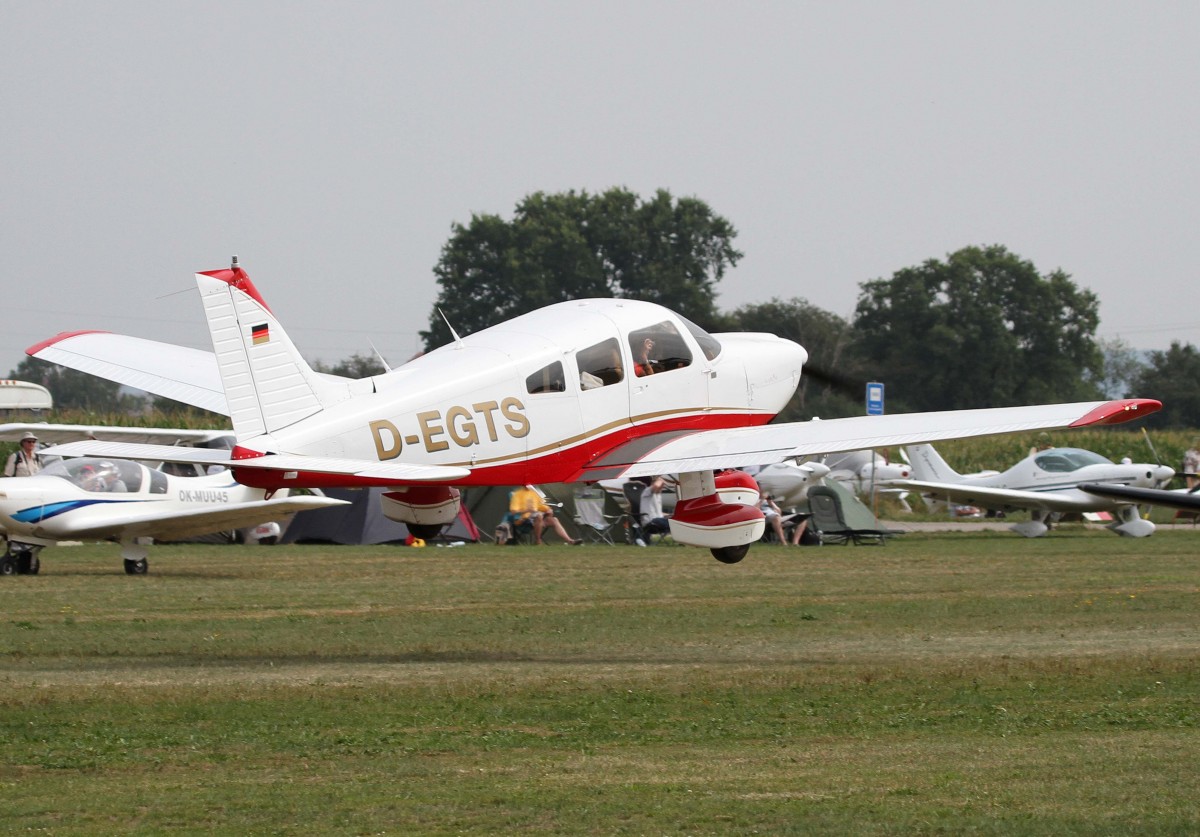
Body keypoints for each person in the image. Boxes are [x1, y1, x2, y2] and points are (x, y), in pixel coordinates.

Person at [507, 485, 581, 545]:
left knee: (554, 520)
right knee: (539, 515)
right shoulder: (517, 494)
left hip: (537, 519)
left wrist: (548, 510)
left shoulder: (533, 493)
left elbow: (540, 505)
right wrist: (528, 510)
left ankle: (570, 541)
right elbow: (513, 511)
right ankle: (538, 541)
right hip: (523, 520)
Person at [639, 476, 671, 540]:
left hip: (658, 520)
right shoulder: (647, 492)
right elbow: (656, 486)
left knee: (677, 520)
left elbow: (659, 513)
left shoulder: (657, 495)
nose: (662, 488)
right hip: (650, 522)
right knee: (674, 523)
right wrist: (660, 480)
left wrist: (670, 515)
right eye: (661, 486)